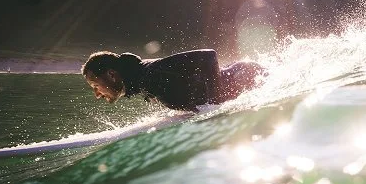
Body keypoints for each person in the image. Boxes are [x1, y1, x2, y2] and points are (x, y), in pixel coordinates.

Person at [82, 49, 265, 112]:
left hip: (247, 77)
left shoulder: (151, 73)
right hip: (244, 80)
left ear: (112, 75)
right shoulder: (142, 82)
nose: (97, 94)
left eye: (95, 85)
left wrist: (214, 105)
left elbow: (209, 56)